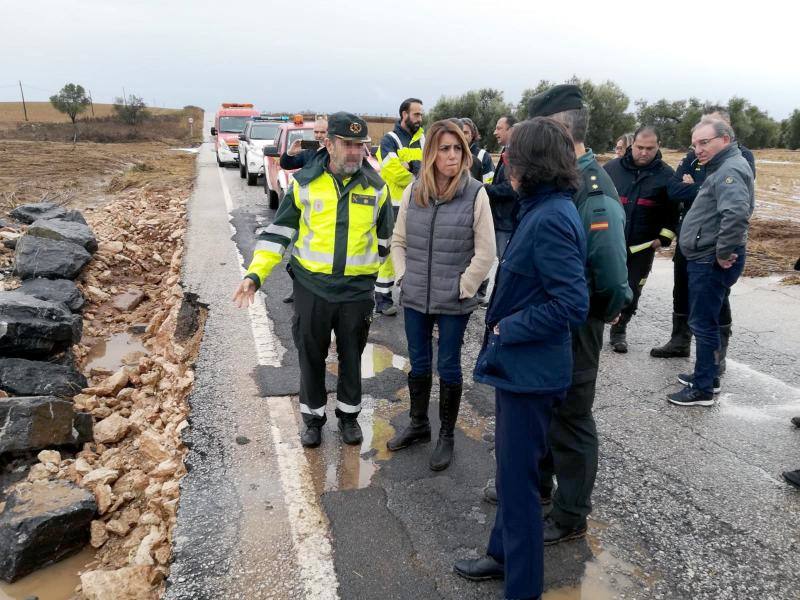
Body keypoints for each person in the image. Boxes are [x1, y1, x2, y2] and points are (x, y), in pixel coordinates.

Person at [453, 118, 589, 600]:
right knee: (512, 474)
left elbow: (572, 303)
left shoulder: (552, 216)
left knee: (518, 484)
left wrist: (508, 327)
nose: (505, 160)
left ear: (530, 165)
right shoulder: (543, 205)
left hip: (530, 374)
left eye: (511, 154)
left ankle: (522, 587)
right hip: (524, 371)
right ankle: (501, 554)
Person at [233, 112, 394, 447]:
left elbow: (384, 243)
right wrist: (255, 274)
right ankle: (313, 419)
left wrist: (365, 278)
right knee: (311, 357)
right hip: (312, 290)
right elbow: (278, 235)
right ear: (329, 144)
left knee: (352, 357)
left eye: (359, 145)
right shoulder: (303, 184)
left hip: (354, 293)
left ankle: (349, 417)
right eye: (347, 144)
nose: (354, 152)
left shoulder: (377, 189)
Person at [527, 84, 632, 545]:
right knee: (551, 408)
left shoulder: (593, 192)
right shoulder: (563, 181)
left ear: (557, 130)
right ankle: (543, 490)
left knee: (571, 417)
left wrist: (603, 313)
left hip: (577, 322)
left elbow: (610, 276)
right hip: (555, 319)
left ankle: (570, 516)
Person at [386, 119, 495, 471]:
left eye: (458, 149)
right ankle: (419, 425)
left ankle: (446, 435)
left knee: (448, 366)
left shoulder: (476, 193)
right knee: (418, 364)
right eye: (445, 149)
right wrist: (404, 278)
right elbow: (398, 241)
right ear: (431, 153)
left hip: (454, 301)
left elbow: (485, 252)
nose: (452, 155)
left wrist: (463, 287)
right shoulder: (413, 191)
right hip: (416, 295)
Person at [653, 110, 756, 371]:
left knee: (711, 307)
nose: (698, 148)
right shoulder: (698, 158)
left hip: (710, 246)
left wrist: (723, 251)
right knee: (685, 294)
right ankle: (682, 344)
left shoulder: (736, 161)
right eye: (695, 143)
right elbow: (675, 190)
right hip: (693, 239)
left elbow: (734, 208)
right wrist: (698, 186)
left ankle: (710, 370)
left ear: (724, 134)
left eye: (704, 141)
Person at [603, 126, 678, 353]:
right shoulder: (611, 169)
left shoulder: (667, 176)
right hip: (609, 245)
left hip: (642, 247)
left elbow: (674, 213)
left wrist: (662, 240)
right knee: (601, 287)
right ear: (631, 145)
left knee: (632, 290)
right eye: (639, 147)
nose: (644, 152)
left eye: (650, 148)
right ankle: (592, 328)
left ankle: (619, 332)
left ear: (658, 147)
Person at [375, 98, 425, 316]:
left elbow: (432, 166)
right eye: (416, 114)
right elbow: (392, 171)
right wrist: (420, 175)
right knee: (387, 250)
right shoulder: (390, 140)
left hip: (420, 204)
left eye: (421, 114)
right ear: (404, 114)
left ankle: (407, 293)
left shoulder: (423, 139)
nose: (420, 118)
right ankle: (383, 298)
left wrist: (413, 167)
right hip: (393, 206)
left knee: (414, 252)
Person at [485, 115, 518, 258]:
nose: (494, 132)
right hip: (502, 222)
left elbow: (511, 187)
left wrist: (486, 189)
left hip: (507, 223)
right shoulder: (507, 151)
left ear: (511, 130)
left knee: (506, 263)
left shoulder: (515, 154)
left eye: (499, 128)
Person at [461, 117, 495, 183]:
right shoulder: (452, 155)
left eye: (465, 132)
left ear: (472, 135)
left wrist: (482, 189)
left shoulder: (483, 155)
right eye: (460, 132)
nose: (462, 135)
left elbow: (489, 180)